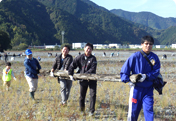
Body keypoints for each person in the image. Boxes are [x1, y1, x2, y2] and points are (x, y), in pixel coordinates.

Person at [120, 35, 161, 121]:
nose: (148, 46)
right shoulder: (135, 56)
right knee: (133, 113)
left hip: (148, 90)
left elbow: (156, 71)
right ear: (142, 44)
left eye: (150, 44)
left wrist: (146, 76)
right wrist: (129, 80)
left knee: (149, 111)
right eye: (146, 43)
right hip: (136, 90)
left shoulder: (155, 58)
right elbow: (124, 73)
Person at [68, 43, 97, 116]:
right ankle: (82, 110)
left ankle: (91, 111)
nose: (88, 50)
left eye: (90, 49)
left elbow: (93, 69)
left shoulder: (93, 58)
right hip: (82, 80)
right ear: (84, 49)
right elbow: (72, 65)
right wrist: (70, 74)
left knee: (92, 95)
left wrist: (83, 75)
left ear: (92, 50)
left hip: (92, 80)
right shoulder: (79, 57)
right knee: (82, 96)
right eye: (87, 48)